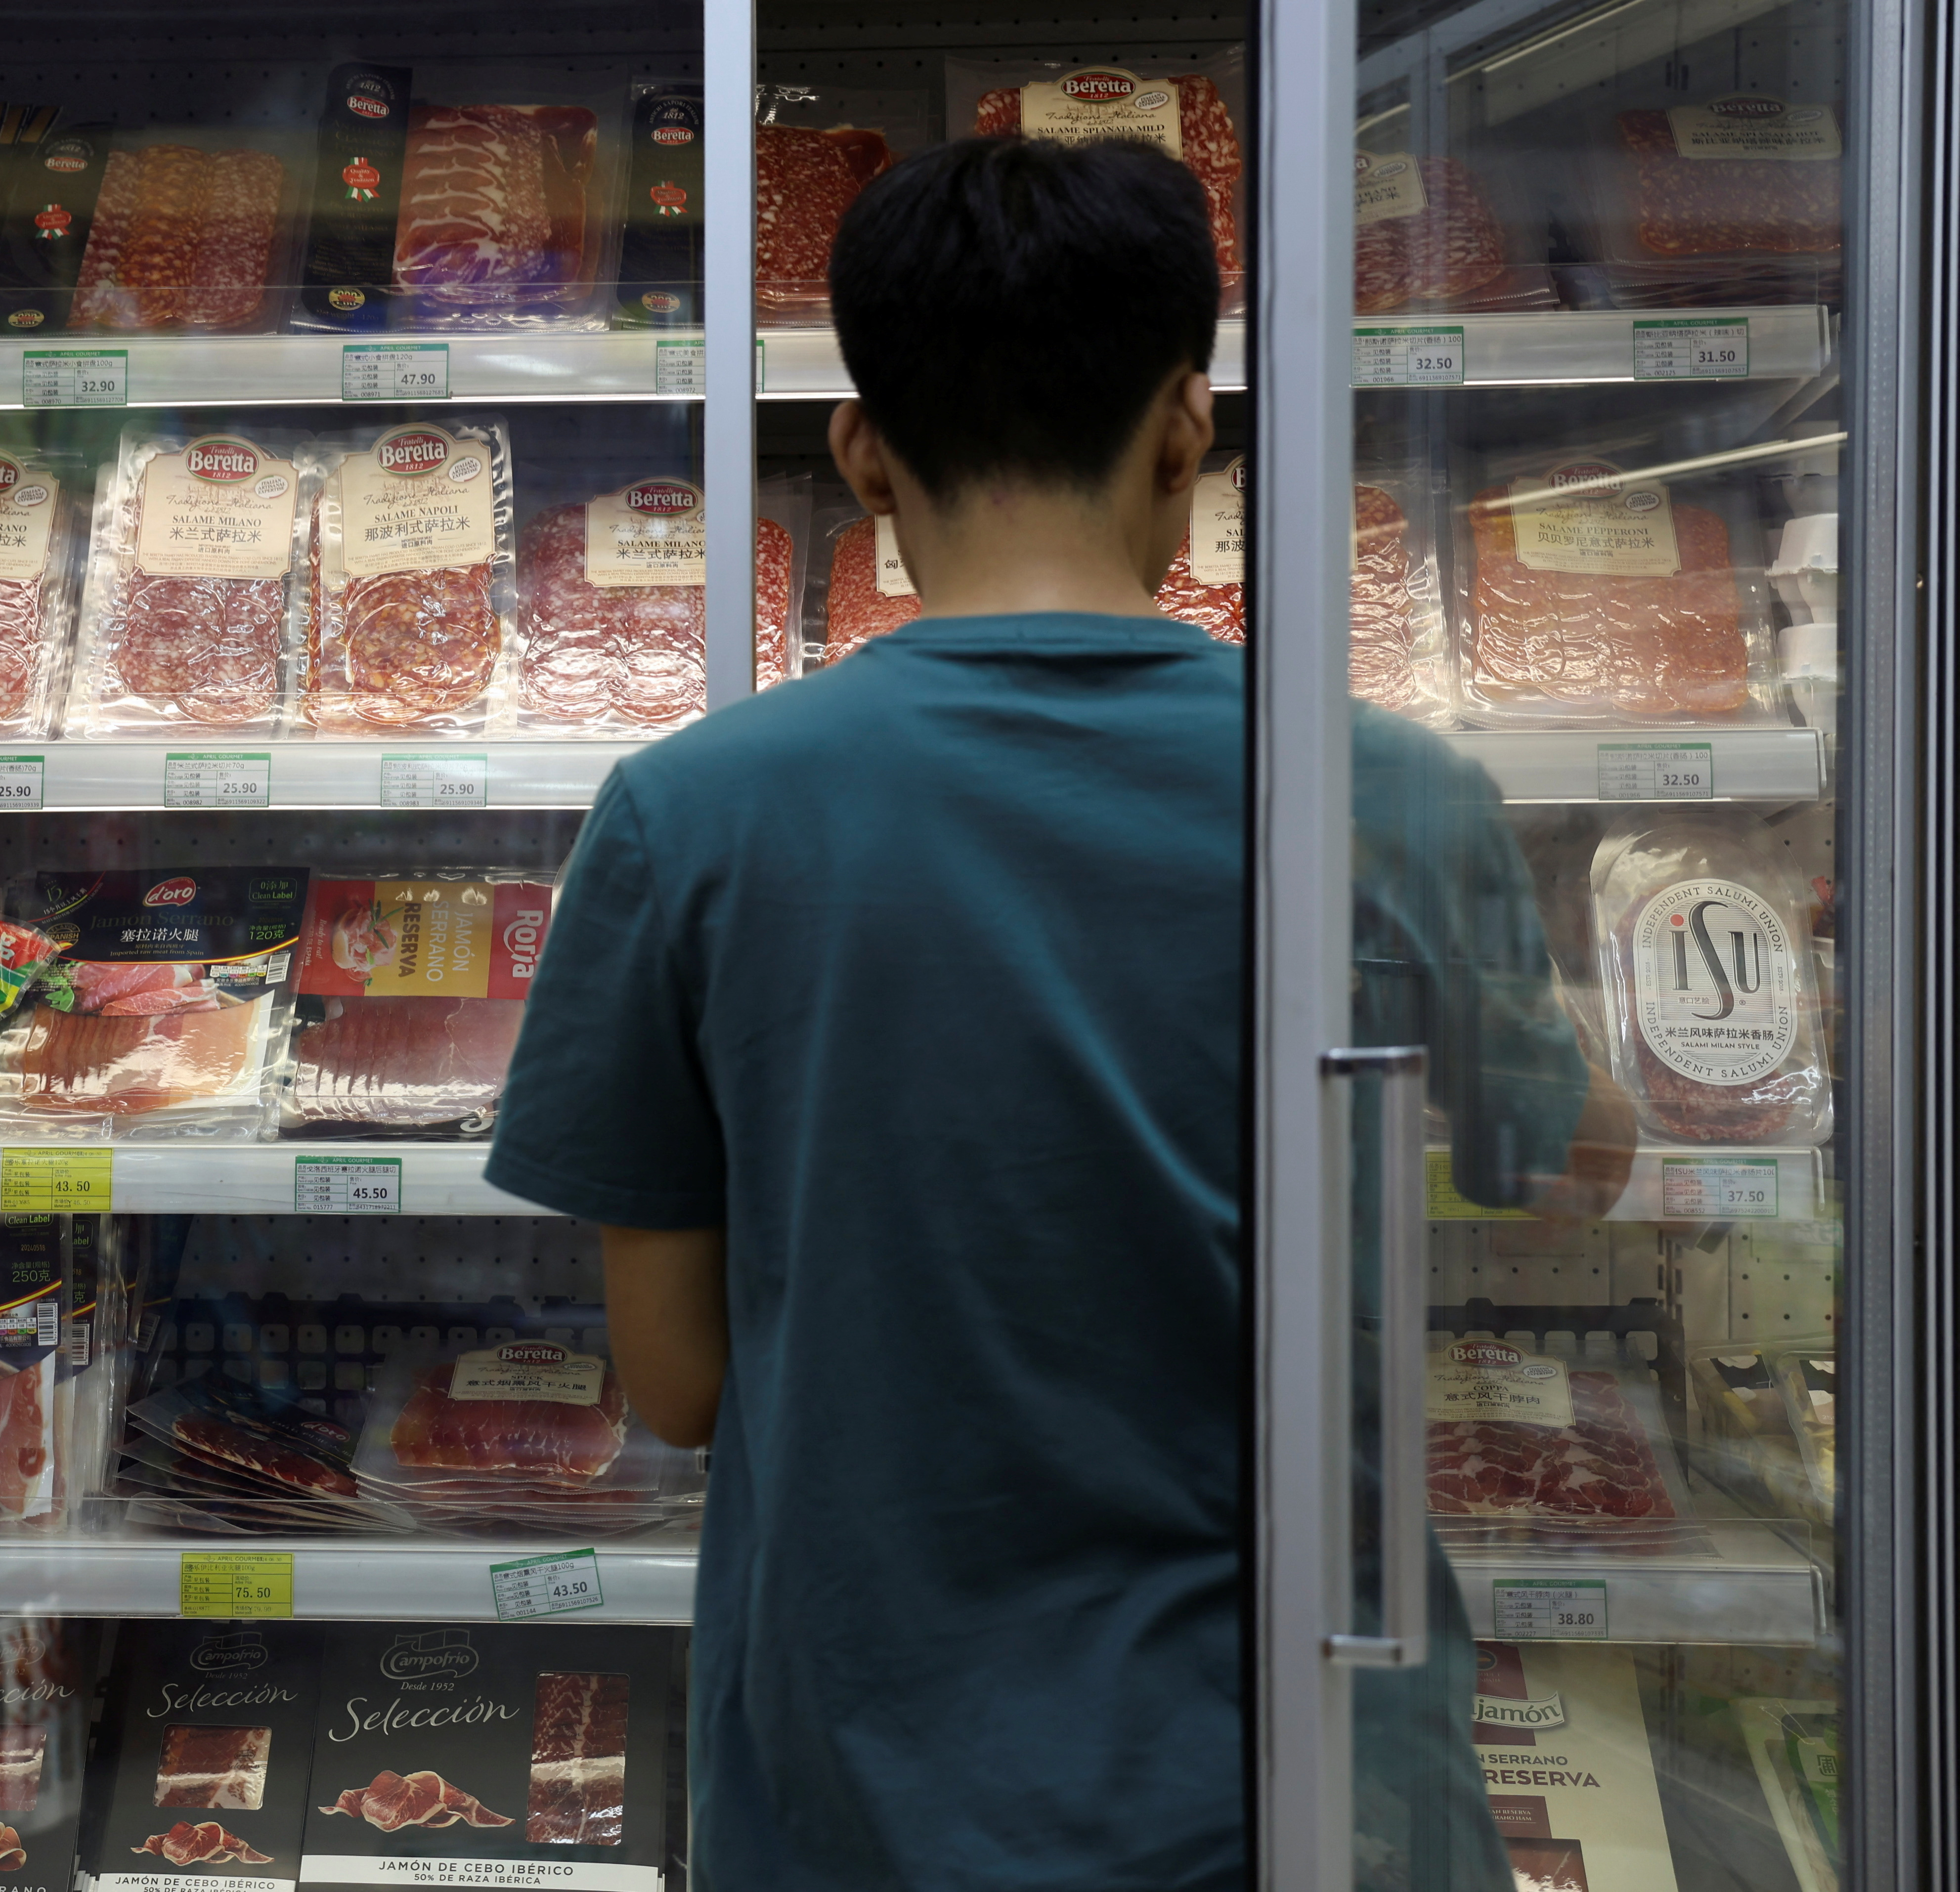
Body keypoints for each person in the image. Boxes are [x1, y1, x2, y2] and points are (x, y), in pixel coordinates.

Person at [481, 137, 1629, 1890]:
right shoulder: (1389, 793)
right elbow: (1568, 1171)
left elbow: (679, 1382)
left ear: (861, 451)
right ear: (1187, 431)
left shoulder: (685, 814)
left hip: (865, 1796)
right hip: (1300, 1782)